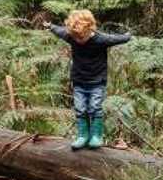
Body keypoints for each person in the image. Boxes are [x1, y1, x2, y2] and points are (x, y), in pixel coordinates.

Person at [45, 10, 131, 150]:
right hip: (78, 81)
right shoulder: (72, 36)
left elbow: (117, 39)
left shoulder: (101, 39)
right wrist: (51, 26)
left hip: (97, 82)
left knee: (95, 107)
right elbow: (60, 31)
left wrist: (127, 35)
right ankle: (82, 136)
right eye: (75, 37)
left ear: (89, 28)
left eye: (80, 37)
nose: (78, 40)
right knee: (80, 108)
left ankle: (96, 136)